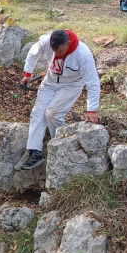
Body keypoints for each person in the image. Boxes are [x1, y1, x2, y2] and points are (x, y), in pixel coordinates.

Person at [17, 29, 101, 171]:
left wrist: (91, 109)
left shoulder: (83, 54)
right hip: (50, 81)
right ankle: (35, 152)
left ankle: (60, 143)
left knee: (52, 113)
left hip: (71, 84)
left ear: (68, 43)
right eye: (54, 51)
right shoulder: (45, 41)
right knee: (38, 112)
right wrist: (28, 72)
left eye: (61, 51)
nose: (57, 54)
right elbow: (33, 53)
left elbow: (93, 82)